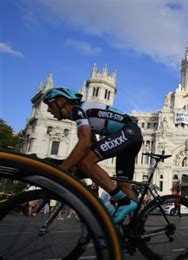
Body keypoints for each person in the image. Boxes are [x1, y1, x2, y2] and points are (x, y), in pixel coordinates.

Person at [42, 87, 143, 224]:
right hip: (132, 134)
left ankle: (123, 201)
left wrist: (62, 169)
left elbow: (84, 142)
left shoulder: (78, 110)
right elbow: (90, 144)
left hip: (129, 132)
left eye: (49, 105)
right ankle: (136, 226)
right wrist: (72, 164)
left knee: (86, 163)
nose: (48, 110)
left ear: (60, 101)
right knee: (124, 185)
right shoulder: (83, 111)